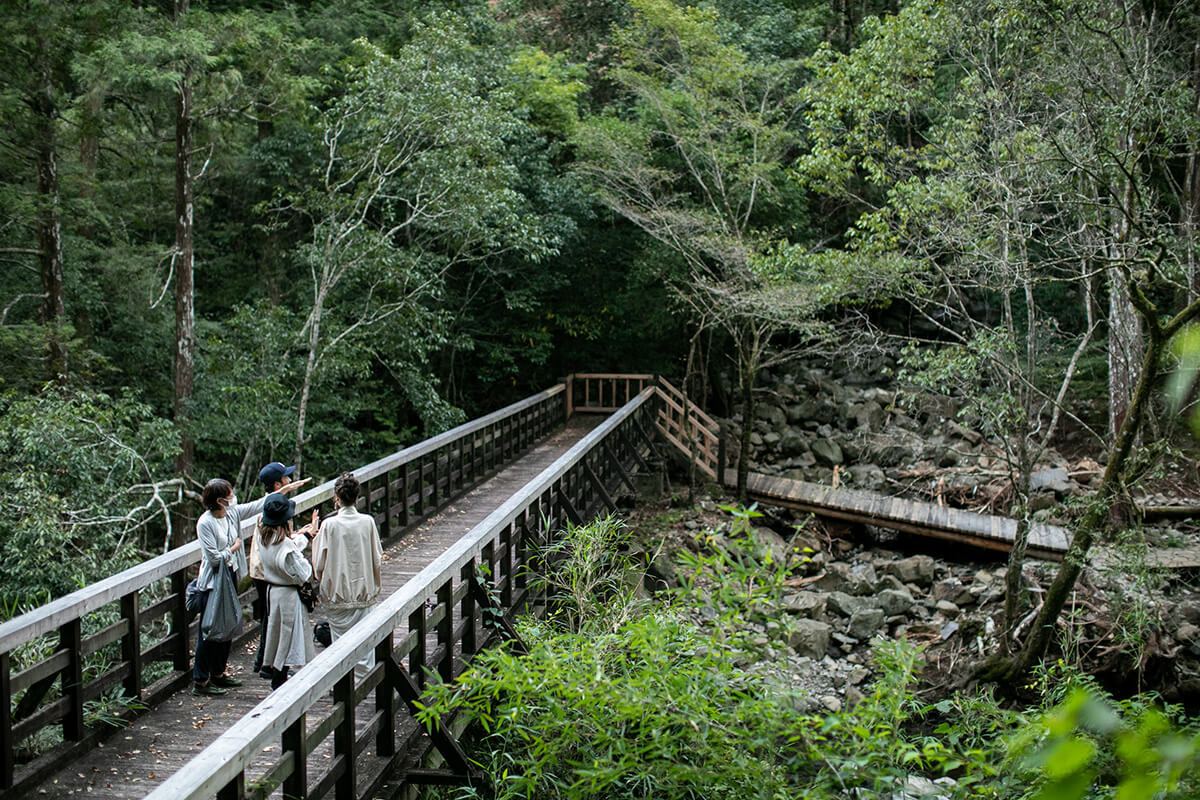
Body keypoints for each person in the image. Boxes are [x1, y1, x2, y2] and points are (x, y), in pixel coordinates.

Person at [192, 478, 263, 697]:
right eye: (230, 495)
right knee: (210, 628)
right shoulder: (205, 523)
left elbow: (255, 506)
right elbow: (213, 558)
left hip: (230, 576)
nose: (233, 498)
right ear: (219, 500)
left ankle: (219, 673)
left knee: (229, 623)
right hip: (213, 582)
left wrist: (284, 490)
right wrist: (233, 548)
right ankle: (201, 680)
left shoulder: (230, 515)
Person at [313, 473, 383, 683]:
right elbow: (377, 559)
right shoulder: (367, 522)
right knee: (364, 643)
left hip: (338, 595)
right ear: (356, 497)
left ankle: (344, 683)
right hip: (364, 592)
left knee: (340, 643)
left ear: (337, 497)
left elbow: (319, 564)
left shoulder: (329, 525)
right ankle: (365, 682)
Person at [249, 462, 311, 679]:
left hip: (270, 570)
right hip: (269, 573)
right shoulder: (271, 509)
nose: (290, 480)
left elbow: (283, 544)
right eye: (286, 478)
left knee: (272, 619)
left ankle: (268, 663)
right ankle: (269, 665)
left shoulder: (272, 511)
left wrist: (302, 537)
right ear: (277, 483)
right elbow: (287, 552)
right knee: (273, 620)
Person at [259, 492, 317, 689]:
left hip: (273, 592)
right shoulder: (286, 546)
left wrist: (305, 536)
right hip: (289, 596)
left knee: (276, 637)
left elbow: (289, 546)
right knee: (287, 640)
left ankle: (276, 679)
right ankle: (279, 684)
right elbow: (303, 573)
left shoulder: (264, 538)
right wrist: (308, 559)